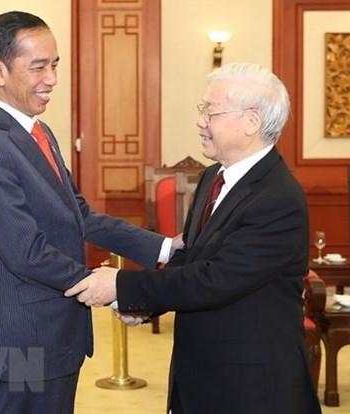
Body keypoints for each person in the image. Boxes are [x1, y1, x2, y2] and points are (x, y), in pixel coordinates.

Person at [65, 62, 322, 414]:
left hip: (252, 385)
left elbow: (215, 280)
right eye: (202, 110)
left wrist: (122, 287)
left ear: (251, 122)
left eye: (211, 112)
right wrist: (148, 304)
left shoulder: (278, 198)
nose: (200, 121)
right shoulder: (212, 177)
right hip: (203, 372)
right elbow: (192, 257)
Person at [0, 11, 178, 414]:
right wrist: (117, 296)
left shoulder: (38, 132)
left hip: (57, 334)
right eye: (38, 66)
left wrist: (164, 248)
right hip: (22, 340)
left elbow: (80, 215)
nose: (52, 78)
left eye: (55, 64)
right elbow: (26, 251)